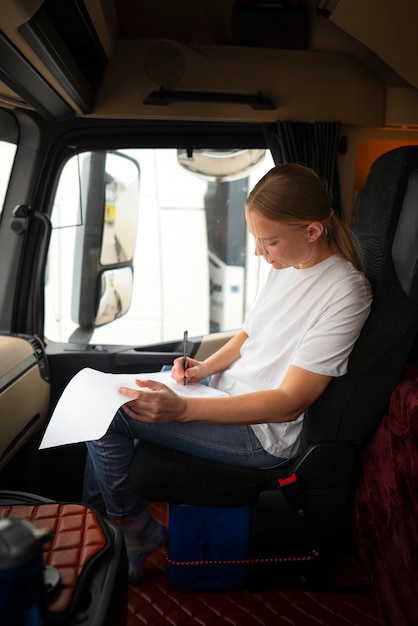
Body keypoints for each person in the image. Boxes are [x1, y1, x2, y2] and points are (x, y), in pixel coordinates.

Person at [82, 163, 373, 584]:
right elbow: (248, 337)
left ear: (313, 230)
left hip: (264, 434)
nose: (260, 252)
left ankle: (132, 529)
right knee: (110, 393)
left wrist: (180, 410)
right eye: (258, 239)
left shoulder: (346, 291)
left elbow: (291, 401)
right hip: (223, 394)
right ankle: (99, 527)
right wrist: (202, 370)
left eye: (269, 241)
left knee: (108, 414)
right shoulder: (284, 266)